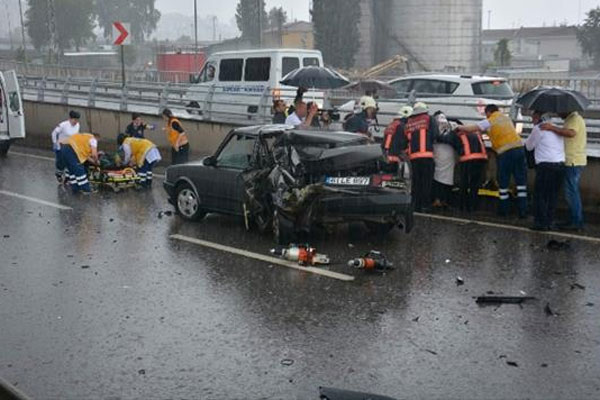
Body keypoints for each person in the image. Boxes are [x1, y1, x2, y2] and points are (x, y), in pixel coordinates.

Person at [457, 104, 527, 218]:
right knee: (521, 183)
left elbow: (472, 129)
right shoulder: (506, 118)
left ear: (488, 112)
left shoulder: (491, 120)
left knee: (503, 182)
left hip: (506, 153)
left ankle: (504, 211)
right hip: (519, 150)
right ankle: (522, 211)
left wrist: (459, 128)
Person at [540, 111, 586, 231]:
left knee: (571, 193)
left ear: (567, 108)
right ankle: (573, 220)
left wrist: (552, 128)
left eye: (560, 111)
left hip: (573, 161)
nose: (558, 113)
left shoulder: (574, 118)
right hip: (572, 160)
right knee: (570, 192)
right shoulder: (570, 119)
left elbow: (571, 133)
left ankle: (576, 222)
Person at [525, 111, 566, 231]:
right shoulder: (556, 128)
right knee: (552, 196)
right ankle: (550, 221)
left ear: (538, 118)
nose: (532, 120)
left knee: (540, 195)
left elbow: (528, 146)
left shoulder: (538, 129)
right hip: (559, 165)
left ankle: (540, 223)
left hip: (545, 167)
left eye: (533, 117)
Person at [399, 102, 439, 213]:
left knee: (416, 183)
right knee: (426, 182)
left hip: (413, 158)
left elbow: (405, 141)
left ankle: (415, 206)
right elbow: (436, 135)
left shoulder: (409, 122)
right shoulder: (429, 119)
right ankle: (425, 206)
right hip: (427, 156)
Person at [453, 121, 488, 213]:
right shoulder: (476, 132)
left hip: (468, 159)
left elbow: (447, 140)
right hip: (481, 159)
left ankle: (462, 207)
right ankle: (472, 207)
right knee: (475, 185)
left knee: (464, 183)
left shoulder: (458, 134)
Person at [432, 111, 458, 208]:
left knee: (437, 177)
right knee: (448, 178)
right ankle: (445, 200)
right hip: (450, 153)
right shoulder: (451, 124)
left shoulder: (434, 124)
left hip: (438, 151)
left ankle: (437, 199)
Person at [51, 110, 80, 182]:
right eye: (74, 119)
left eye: (77, 119)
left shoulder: (78, 125)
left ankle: (68, 176)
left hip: (71, 146)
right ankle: (59, 174)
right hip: (61, 146)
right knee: (61, 162)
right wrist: (55, 143)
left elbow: (76, 135)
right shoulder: (63, 125)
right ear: (70, 118)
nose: (76, 121)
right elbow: (54, 133)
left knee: (71, 161)